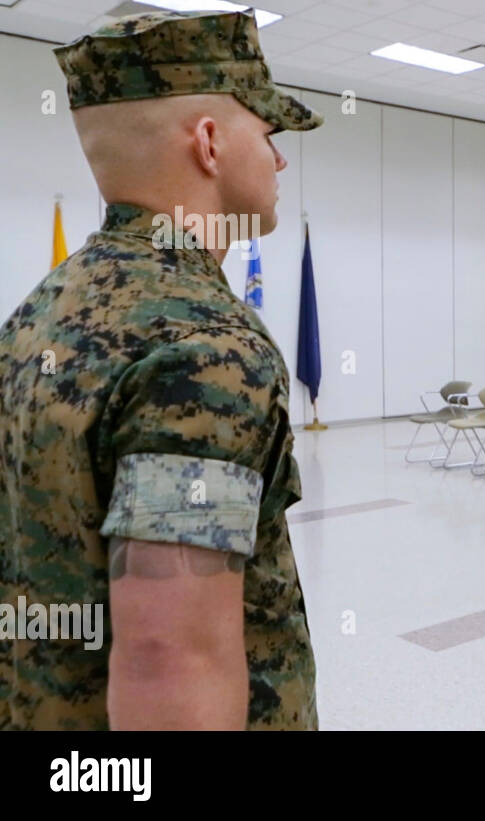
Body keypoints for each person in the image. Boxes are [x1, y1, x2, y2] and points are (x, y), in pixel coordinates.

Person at [0, 9, 322, 730]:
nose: (280, 160)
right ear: (210, 143)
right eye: (268, 133)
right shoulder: (203, 347)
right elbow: (170, 659)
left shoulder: (37, 314)